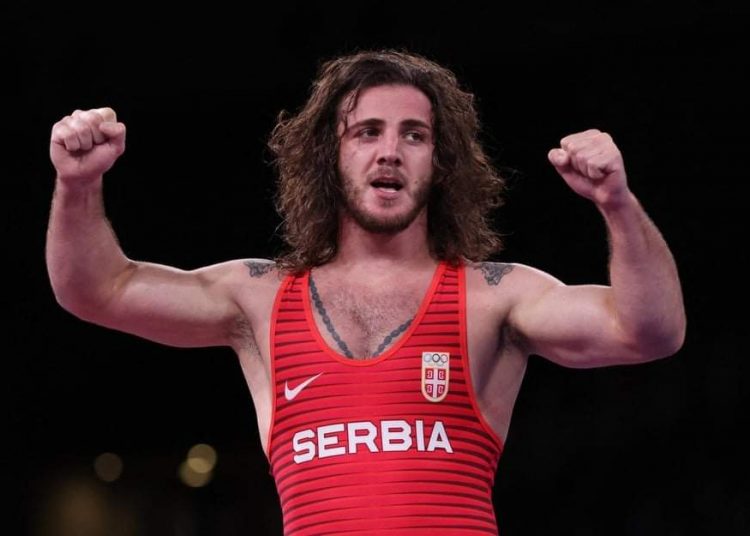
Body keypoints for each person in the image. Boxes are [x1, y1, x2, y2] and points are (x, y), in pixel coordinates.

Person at [46, 49, 686, 535]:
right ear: (330, 156)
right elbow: (96, 289)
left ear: (439, 162)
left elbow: (650, 330)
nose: (390, 152)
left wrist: (617, 203)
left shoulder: (494, 296)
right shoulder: (259, 297)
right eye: (367, 131)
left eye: (414, 135)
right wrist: (77, 185)